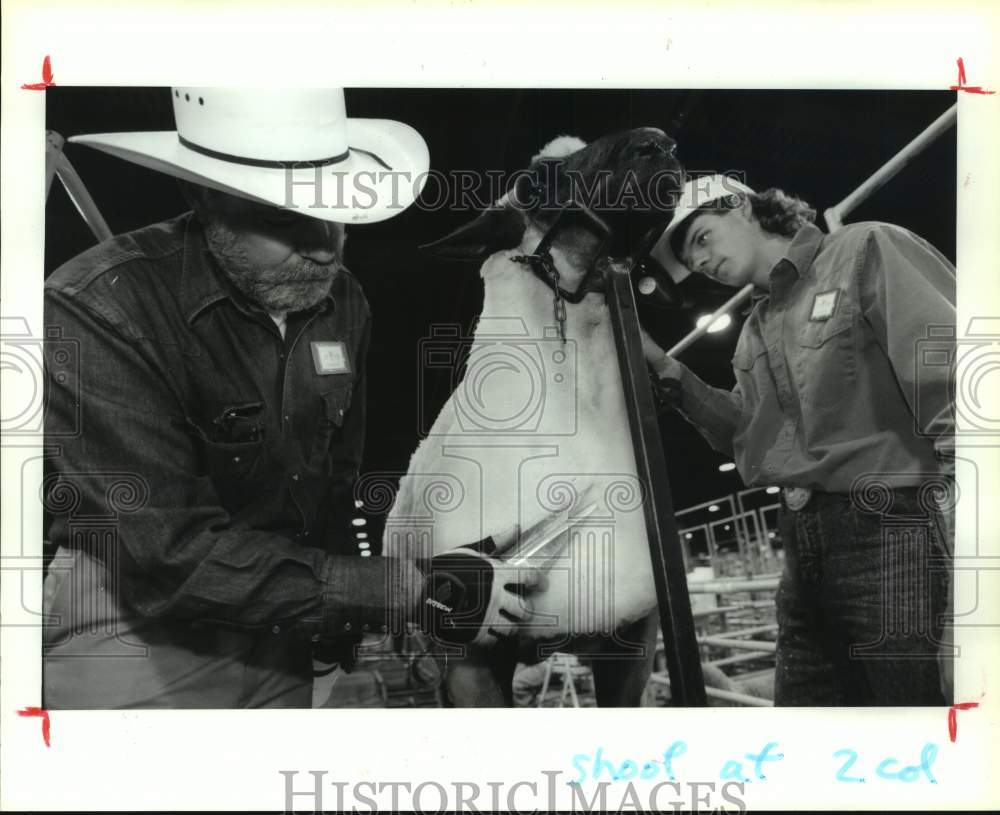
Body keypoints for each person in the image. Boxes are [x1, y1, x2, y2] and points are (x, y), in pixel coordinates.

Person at [43, 88, 540, 709]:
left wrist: (341, 619)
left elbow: (337, 479)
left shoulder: (343, 299)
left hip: (291, 618)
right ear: (201, 196)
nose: (326, 246)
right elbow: (171, 556)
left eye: (336, 212)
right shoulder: (99, 309)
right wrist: (406, 590)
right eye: (284, 217)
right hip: (135, 626)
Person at [642, 175, 955, 706]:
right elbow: (745, 434)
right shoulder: (754, 332)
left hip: (892, 531)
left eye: (701, 238)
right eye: (692, 262)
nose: (701, 263)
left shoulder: (864, 248)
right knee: (805, 727)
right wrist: (659, 363)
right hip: (802, 548)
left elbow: (962, 392)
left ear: (742, 207)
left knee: (917, 721)